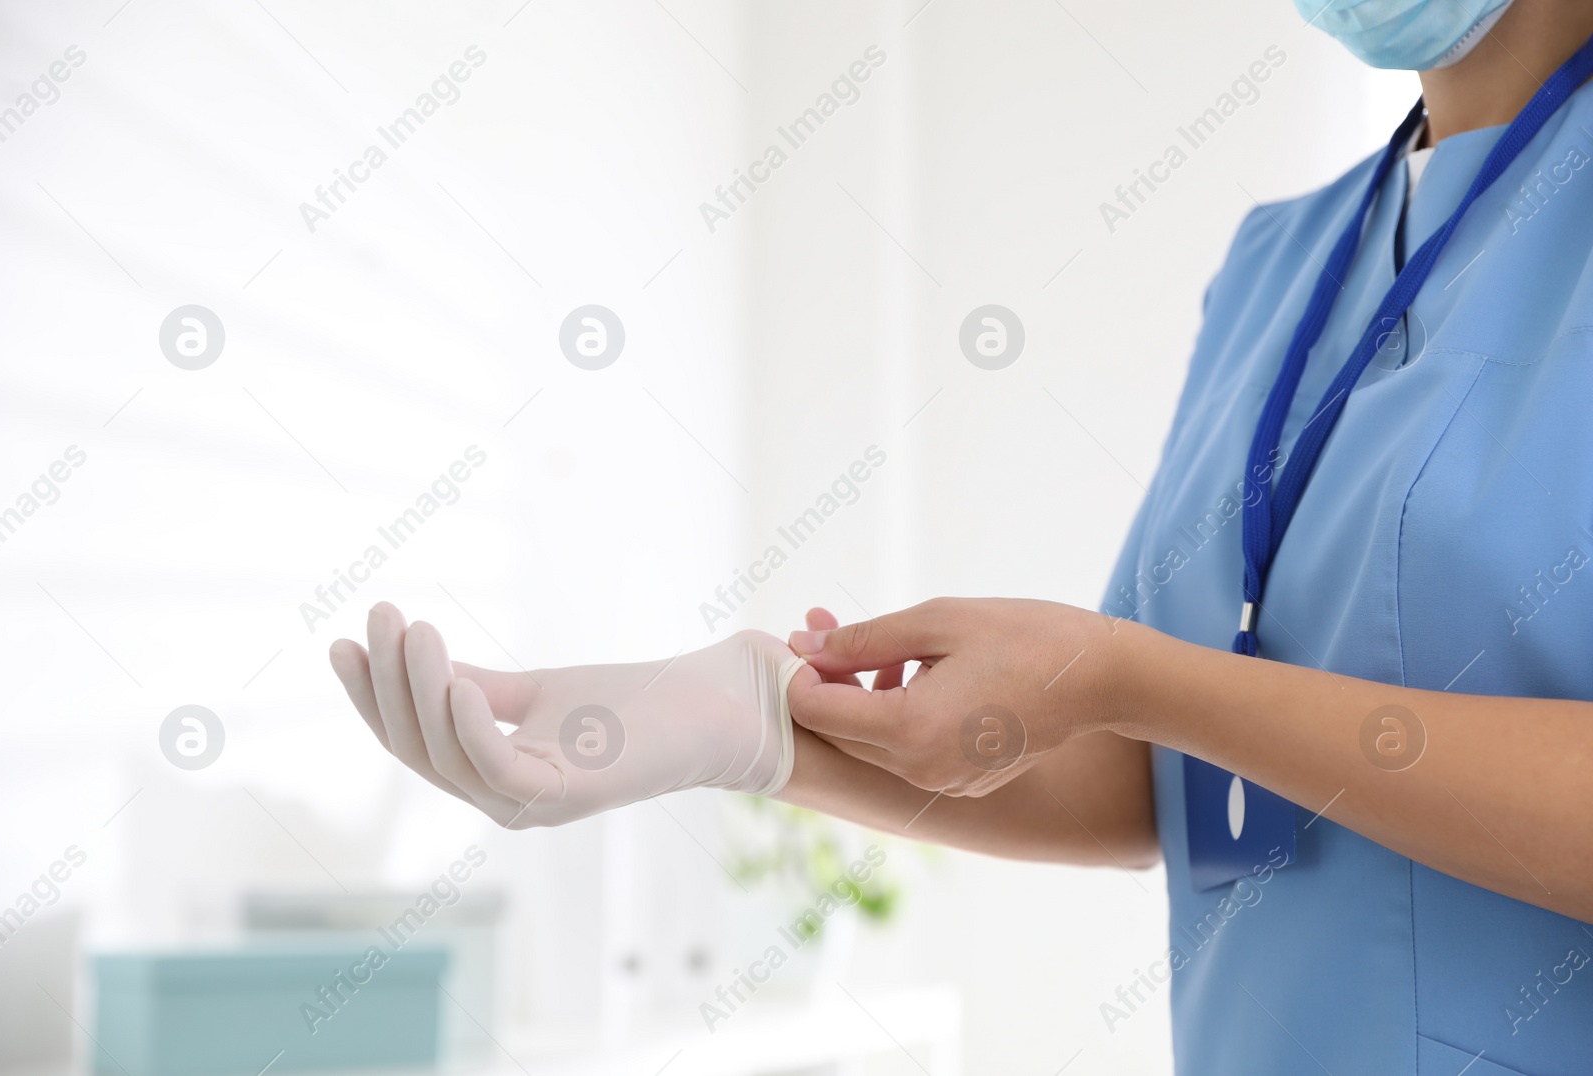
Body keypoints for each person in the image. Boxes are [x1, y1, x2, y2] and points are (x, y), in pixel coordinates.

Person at [330, 0, 1593, 1069]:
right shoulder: (1281, 262)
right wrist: (760, 722)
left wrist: (1137, 674)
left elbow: (1154, 693)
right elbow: (1139, 770)